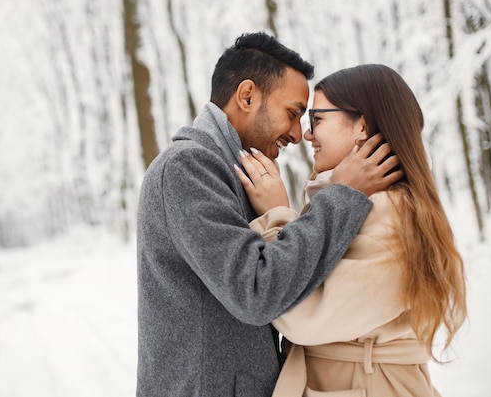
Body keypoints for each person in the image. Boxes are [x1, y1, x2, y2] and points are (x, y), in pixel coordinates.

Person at [136, 33, 402, 397]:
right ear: (247, 96)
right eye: (292, 113)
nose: (297, 134)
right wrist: (344, 194)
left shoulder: (231, 171)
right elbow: (256, 291)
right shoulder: (188, 167)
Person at [236, 64, 467, 397]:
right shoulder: (364, 205)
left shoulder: (392, 214)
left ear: (361, 125)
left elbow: (302, 317)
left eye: (317, 119)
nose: (307, 135)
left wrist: (276, 217)